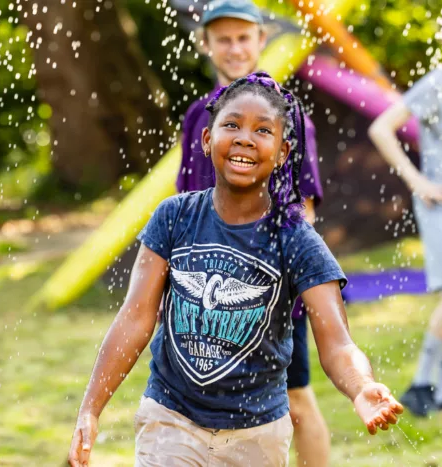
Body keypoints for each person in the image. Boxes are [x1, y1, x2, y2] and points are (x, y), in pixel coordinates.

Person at [68, 72, 403, 467]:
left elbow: (337, 343)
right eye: (231, 125)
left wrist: (361, 386)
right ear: (207, 139)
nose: (245, 137)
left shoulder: (295, 238)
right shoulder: (174, 217)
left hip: (257, 434)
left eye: (263, 130)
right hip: (171, 419)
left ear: (283, 151)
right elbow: (136, 318)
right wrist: (91, 407)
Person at [177, 1, 327, 464]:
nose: (234, 48)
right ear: (205, 44)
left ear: (262, 40)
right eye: (223, 38)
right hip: (205, 296)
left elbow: (304, 210)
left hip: (271, 288)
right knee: (199, 412)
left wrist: (281, 281)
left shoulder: (289, 115)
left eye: (244, 37)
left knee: (296, 401)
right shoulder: (196, 118)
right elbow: (185, 209)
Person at [368, 6, 442, 417]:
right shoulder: (435, 83)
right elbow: (381, 127)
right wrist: (416, 180)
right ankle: (421, 383)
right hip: (441, 204)